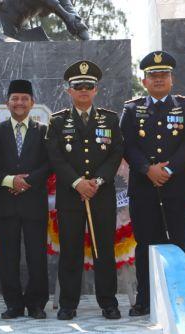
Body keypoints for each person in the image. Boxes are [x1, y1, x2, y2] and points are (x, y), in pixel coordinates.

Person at [120, 51, 185, 316]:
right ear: (144, 81)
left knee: (177, 241)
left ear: (171, 79)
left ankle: (179, 296)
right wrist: (147, 169)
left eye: (163, 74)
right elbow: (127, 145)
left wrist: (168, 168)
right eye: (153, 75)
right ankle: (145, 298)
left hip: (177, 186)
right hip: (144, 187)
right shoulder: (132, 109)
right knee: (145, 243)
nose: (158, 79)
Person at [45, 60, 123, 320]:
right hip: (71, 196)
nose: (83, 91)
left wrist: (97, 182)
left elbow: (116, 154)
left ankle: (108, 302)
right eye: (78, 86)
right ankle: (68, 304)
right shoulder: (58, 121)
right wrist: (77, 182)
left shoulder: (109, 119)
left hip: (102, 195)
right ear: (69, 90)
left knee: (104, 250)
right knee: (70, 251)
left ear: (96, 90)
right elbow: (55, 156)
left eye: (88, 86)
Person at [0, 80, 50, 319]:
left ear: (32, 103)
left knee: (37, 255)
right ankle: (13, 304)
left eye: (24, 99)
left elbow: (50, 163)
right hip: (6, 203)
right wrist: (10, 180)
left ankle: (36, 303)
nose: (19, 103)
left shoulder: (43, 131)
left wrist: (27, 182)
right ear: (7, 103)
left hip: (34, 203)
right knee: (8, 257)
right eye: (14, 98)